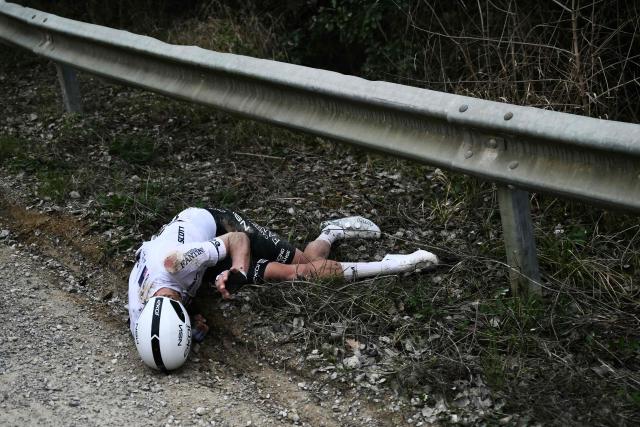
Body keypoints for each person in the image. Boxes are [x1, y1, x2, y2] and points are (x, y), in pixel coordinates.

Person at [129, 207, 438, 371]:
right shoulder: (139, 321)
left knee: (305, 262)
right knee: (304, 273)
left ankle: (344, 238)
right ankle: (376, 257)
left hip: (218, 230)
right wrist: (194, 318)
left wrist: (238, 270)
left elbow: (238, 241)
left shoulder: (179, 262)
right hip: (203, 273)